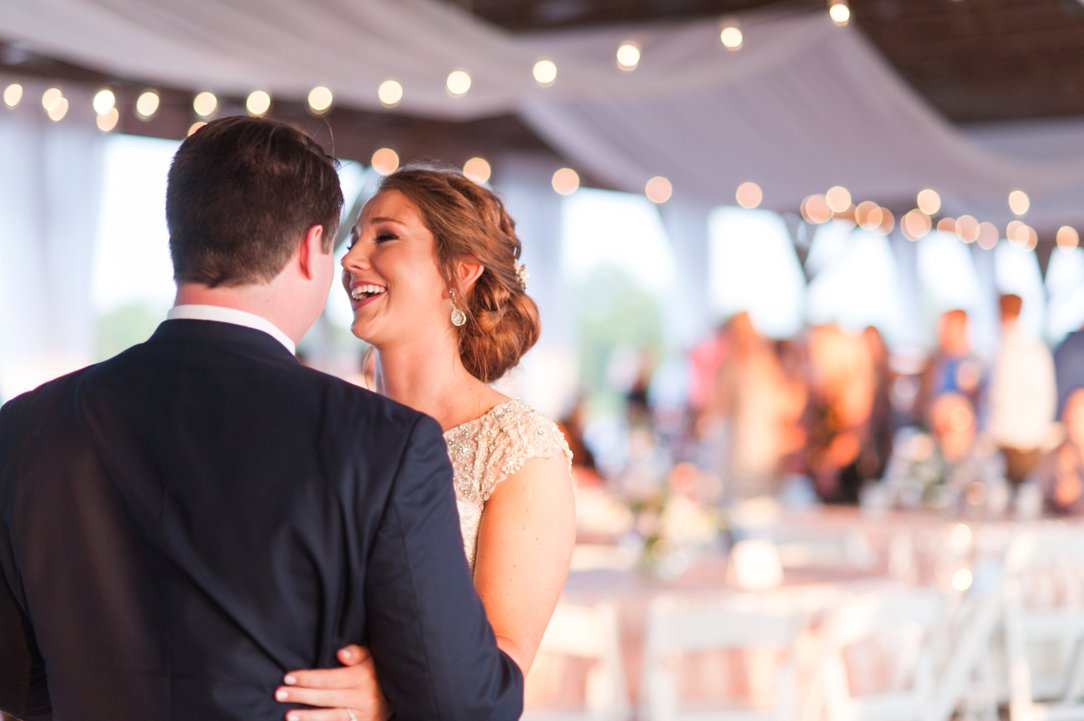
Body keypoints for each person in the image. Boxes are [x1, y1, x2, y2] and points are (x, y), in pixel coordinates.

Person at [0, 118, 523, 720]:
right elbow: (465, 704)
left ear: (182, 236)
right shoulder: (381, 442)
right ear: (309, 248)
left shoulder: (27, 426)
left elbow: (16, 678)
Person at [278, 166, 575, 719]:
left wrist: (389, 693)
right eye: (354, 238)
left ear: (459, 273)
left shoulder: (518, 449)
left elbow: (502, 659)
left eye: (384, 236)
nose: (349, 259)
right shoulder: (328, 424)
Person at [986, 293, 1056, 485]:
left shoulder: (1007, 351)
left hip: (1014, 439)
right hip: (1024, 438)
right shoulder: (1033, 349)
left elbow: (998, 397)